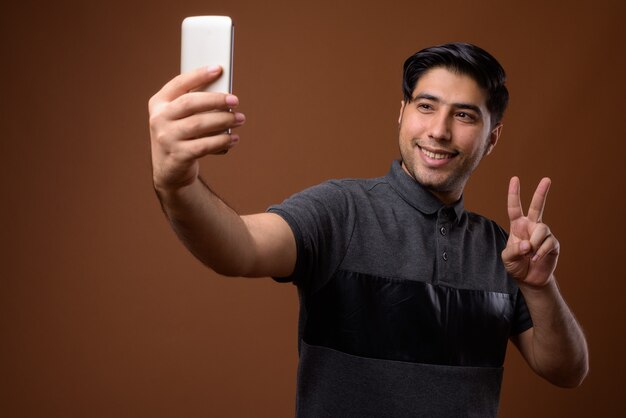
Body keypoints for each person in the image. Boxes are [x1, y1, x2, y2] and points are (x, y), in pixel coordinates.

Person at [148, 43, 588, 417]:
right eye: (426, 106)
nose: (438, 130)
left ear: (492, 138)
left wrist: (540, 286)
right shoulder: (340, 210)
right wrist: (178, 184)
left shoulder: (503, 249)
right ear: (402, 113)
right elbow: (240, 248)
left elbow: (567, 371)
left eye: (465, 116)